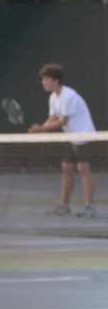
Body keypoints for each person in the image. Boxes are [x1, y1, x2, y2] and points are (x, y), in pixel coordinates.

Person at [28, 63, 97, 218]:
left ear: (55, 80)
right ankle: (64, 206)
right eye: (43, 79)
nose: (43, 82)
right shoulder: (53, 97)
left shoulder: (69, 95)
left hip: (83, 135)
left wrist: (42, 129)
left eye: (46, 79)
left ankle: (90, 207)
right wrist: (40, 130)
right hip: (69, 136)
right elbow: (51, 119)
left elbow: (62, 121)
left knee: (83, 169)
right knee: (66, 168)